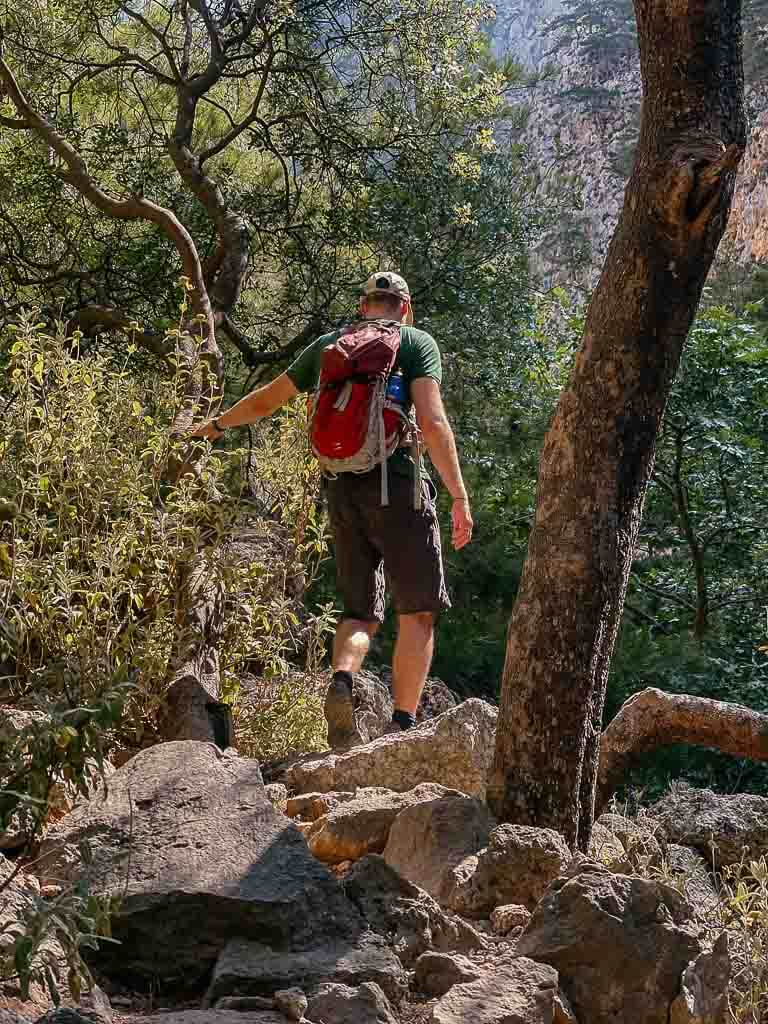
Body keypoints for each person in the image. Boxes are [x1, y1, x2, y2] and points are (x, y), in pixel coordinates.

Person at [191, 272, 473, 746]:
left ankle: (342, 680)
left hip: (342, 488)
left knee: (360, 611)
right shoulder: (416, 343)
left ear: (365, 307)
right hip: (398, 485)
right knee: (418, 611)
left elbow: (268, 399)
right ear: (404, 308)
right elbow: (433, 418)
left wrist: (217, 424)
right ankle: (401, 725)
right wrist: (459, 496)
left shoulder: (329, 346)